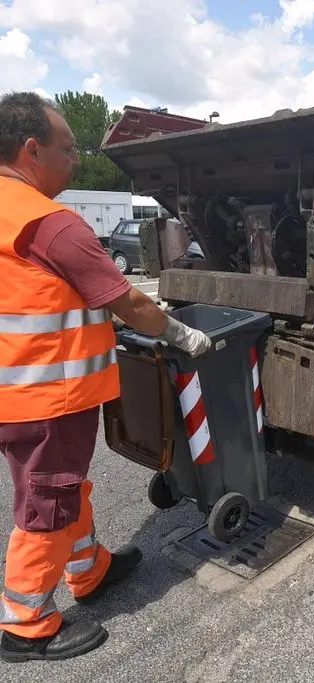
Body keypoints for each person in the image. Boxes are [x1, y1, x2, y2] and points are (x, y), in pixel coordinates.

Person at [0, 92, 212, 663]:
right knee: (48, 500)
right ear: (30, 150)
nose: (75, 160)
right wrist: (180, 335)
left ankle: (89, 569)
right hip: (47, 395)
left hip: (16, 392)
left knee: (66, 486)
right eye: (68, 149)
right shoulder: (48, 224)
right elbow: (130, 303)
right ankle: (25, 625)